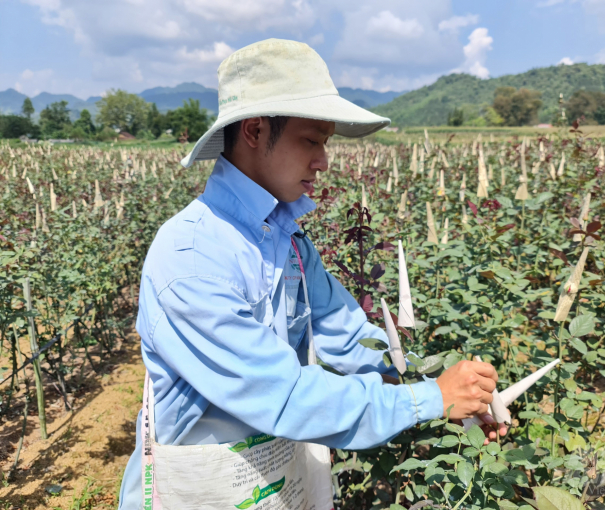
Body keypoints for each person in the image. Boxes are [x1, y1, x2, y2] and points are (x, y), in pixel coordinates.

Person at [118, 38, 506, 509]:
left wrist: (456, 390)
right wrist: (427, 399)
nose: (324, 161)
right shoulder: (192, 260)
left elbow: (348, 335)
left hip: (271, 479)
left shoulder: (289, 242)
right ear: (256, 132)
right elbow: (283, 396)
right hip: (204, 491)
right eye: (312, 140)